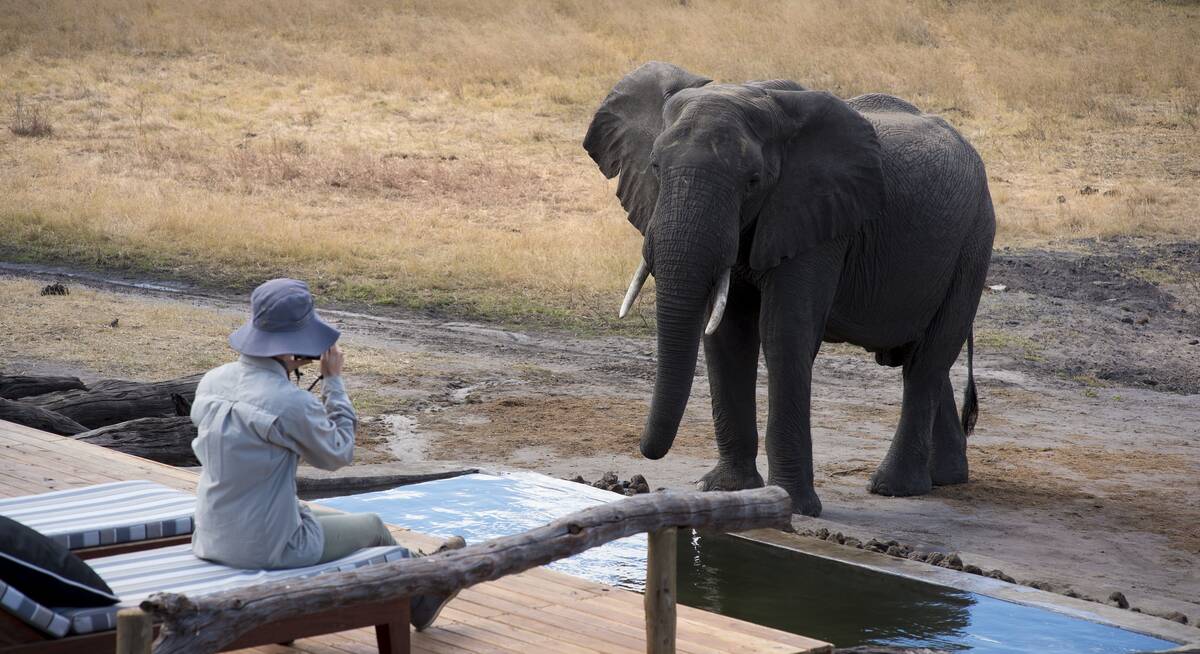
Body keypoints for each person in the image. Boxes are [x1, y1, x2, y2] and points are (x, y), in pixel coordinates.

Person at [189, 278, 462, 630]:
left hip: (211, 534)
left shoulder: (213, 380)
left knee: (311, 513)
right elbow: (337, 454)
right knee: (374, 527)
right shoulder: (289, 402)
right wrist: (333, 381)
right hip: (268, 547)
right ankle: (423, 595)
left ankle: (421, 569)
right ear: (296, 346)